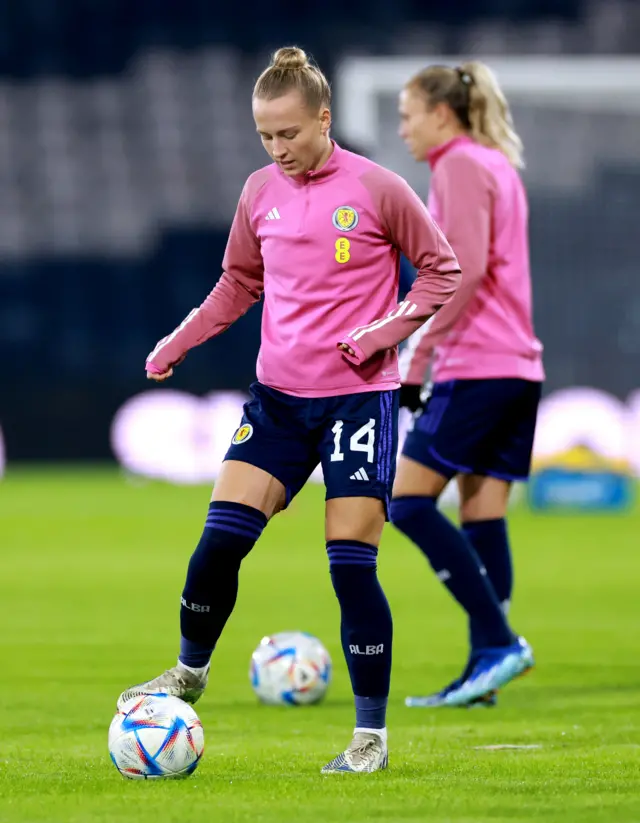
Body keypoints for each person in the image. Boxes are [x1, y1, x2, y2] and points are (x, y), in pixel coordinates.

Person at [116, 47, 461, 772]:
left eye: (290, 135)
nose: (280, 150)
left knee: (350, 567)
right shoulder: (258, 193)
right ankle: (189, 671)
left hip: (360, 401)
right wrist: (179, 339)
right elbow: (238, 284)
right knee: (218, 543)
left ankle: (369, 737)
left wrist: (381, 335)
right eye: (267, 137)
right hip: (277, 401)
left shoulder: (377, 187)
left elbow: (441, 270)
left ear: (324, 119)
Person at [390, 61, 544, 708]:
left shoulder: (455, 163)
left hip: (475, 363)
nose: (403, 130)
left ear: (441, 113)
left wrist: (414, 347)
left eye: (408, 115)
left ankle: (500, 642)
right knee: (482, 516)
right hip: (519, 367)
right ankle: (487, 669)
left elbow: (464, 269)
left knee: (407, 500)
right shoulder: (497, 164)